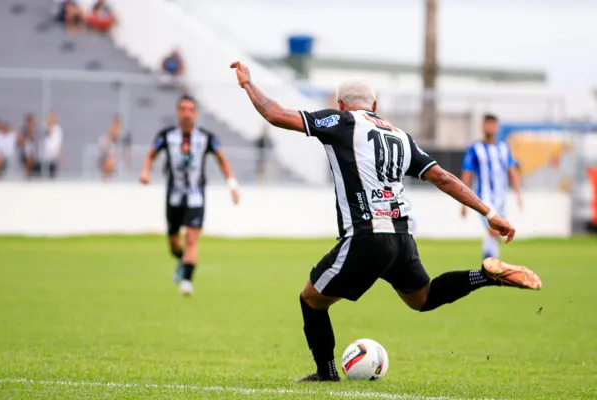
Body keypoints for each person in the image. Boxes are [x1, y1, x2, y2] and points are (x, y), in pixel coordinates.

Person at [230, 61, 542, 382]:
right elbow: (444, 178)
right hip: (401, 236)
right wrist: (490, 214)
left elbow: (274, 113)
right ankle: (486, 276)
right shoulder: (401, 136)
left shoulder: (341, 120)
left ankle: (326, 373)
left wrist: (248, 85)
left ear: (339, 104)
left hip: (366, 236)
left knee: (311, 299)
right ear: (375, 105)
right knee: (423, 298)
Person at [140, 95, 240, 296]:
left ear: (196, 113)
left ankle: (186, 282)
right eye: (183, 109)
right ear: (177, 112)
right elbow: (151, 154)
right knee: (174, 244)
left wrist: (232, 185)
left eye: (190, 110)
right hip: (174, 196)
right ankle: (181, 261)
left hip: (196, 196)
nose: (186, 114)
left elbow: (222, 159)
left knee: (192, 238)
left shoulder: (206, 138)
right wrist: (145, 172)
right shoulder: (167, 136)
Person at [460, 114, 523, 260]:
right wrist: (463, 202)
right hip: (483, 197)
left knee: (499, 230)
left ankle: (490, 264)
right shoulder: (475, 148)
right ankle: (491, 265)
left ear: (497, 127)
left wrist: (518, 193)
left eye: (492, 124)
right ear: (482, 126)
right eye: (486, 124)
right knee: (493, 229)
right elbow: (467, 173)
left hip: (500, 197)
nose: (489, 127)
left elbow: (511, 170)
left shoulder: (504, 148)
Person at [98, 115, 122, 179]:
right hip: (105, 176)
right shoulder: (103, 139)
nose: (117, 129)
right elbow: (102, 156)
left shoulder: (121, 143)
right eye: (115, 126)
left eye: (118, 126)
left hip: (116, 177)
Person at [42, 112, 64, 179]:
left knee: (52, 173)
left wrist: (60, 155)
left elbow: (59, 143)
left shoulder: (58, 129)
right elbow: (48, 133)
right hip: (44, 155)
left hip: (53, 155)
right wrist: (49, 125)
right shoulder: (43, 126)